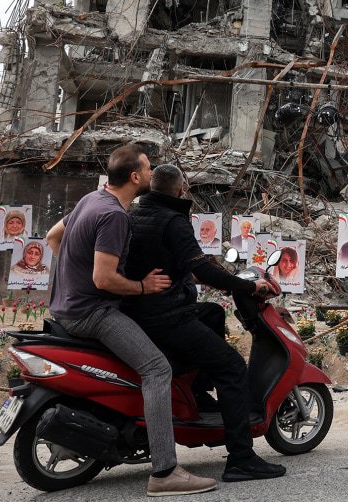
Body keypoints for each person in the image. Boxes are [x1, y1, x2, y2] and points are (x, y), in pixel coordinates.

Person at [45, 144, 216, 497]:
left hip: (64, 307)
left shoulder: (91, 199)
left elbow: (52, 237)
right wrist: (142, 286)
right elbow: (104, 279)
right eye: (149, 168)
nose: (153, 173)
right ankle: (164, 471)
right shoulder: (114, 216)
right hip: (92, 313)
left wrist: (73, 275)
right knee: (157, 369)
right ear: (135, 177)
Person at [121, 164, 286, 483]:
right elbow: (203, 269)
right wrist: (248, 287)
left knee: (211, 314)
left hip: (141, 309)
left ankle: (197, 392)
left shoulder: (137, 213)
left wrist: (209, 277)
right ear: (180, 190)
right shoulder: (174, 220)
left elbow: (174, 262)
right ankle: (241, 459)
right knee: (232, 367)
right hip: (167, 316)